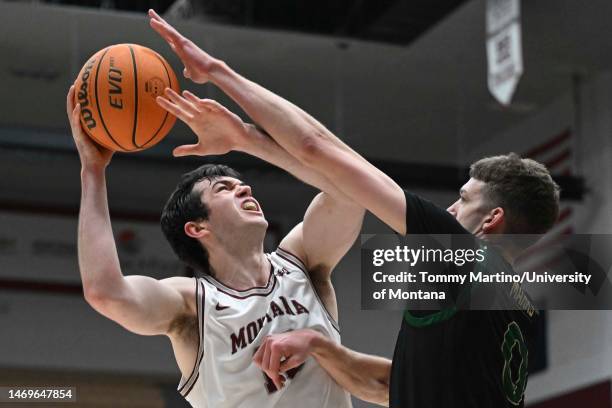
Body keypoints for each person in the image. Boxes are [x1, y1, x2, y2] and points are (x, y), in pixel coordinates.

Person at [147, 8, 560, 407]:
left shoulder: (458, 253)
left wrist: (219, 77)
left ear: (492, 219)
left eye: (464, 200)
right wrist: (320, 346)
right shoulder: (513, 304)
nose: (450, 209)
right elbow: (386, 385)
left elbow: (317, 148)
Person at [66, 74, 397, 408]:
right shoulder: (191, 304)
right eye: (223, 189)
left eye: (242, 185)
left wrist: (248, 139)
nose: (244, 188)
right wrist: (92, 172)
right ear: (197, 228)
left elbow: (351, 193)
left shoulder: (301, 262)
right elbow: (106, 292)